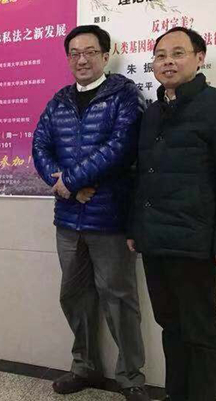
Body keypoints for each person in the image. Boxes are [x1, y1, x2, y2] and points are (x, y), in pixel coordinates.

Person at [127, 27, 216, 401]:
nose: (168, 61)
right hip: (155, 240)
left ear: (199, 58)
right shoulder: (153, 112)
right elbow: (142, 176)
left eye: (177, 53)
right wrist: (135, 228)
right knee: (170, 325)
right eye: (160, 55)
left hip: (195, 242)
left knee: (201, 331)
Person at [32, 25, 150, 401]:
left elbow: (121, 147)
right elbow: (40, 145)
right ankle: (84, 366)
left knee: (119, 298)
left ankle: (130, 377)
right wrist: (64, 184)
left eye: (90, 52)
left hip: (109, 217)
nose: (81, 59)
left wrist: (71, 180)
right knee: (74, 296)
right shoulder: (59, 100)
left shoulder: (125, 95)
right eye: (74, 53)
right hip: (68, 219)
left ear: (105, 55)